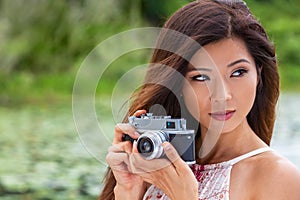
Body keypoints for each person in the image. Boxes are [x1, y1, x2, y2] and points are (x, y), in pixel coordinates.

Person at [99, 0, 300, 199]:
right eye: (201, 77)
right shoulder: (155, 162)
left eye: (238, 72)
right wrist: (127, 191)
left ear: (259, 74)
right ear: (177, 84)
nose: (222, 95)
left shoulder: (281, 179)